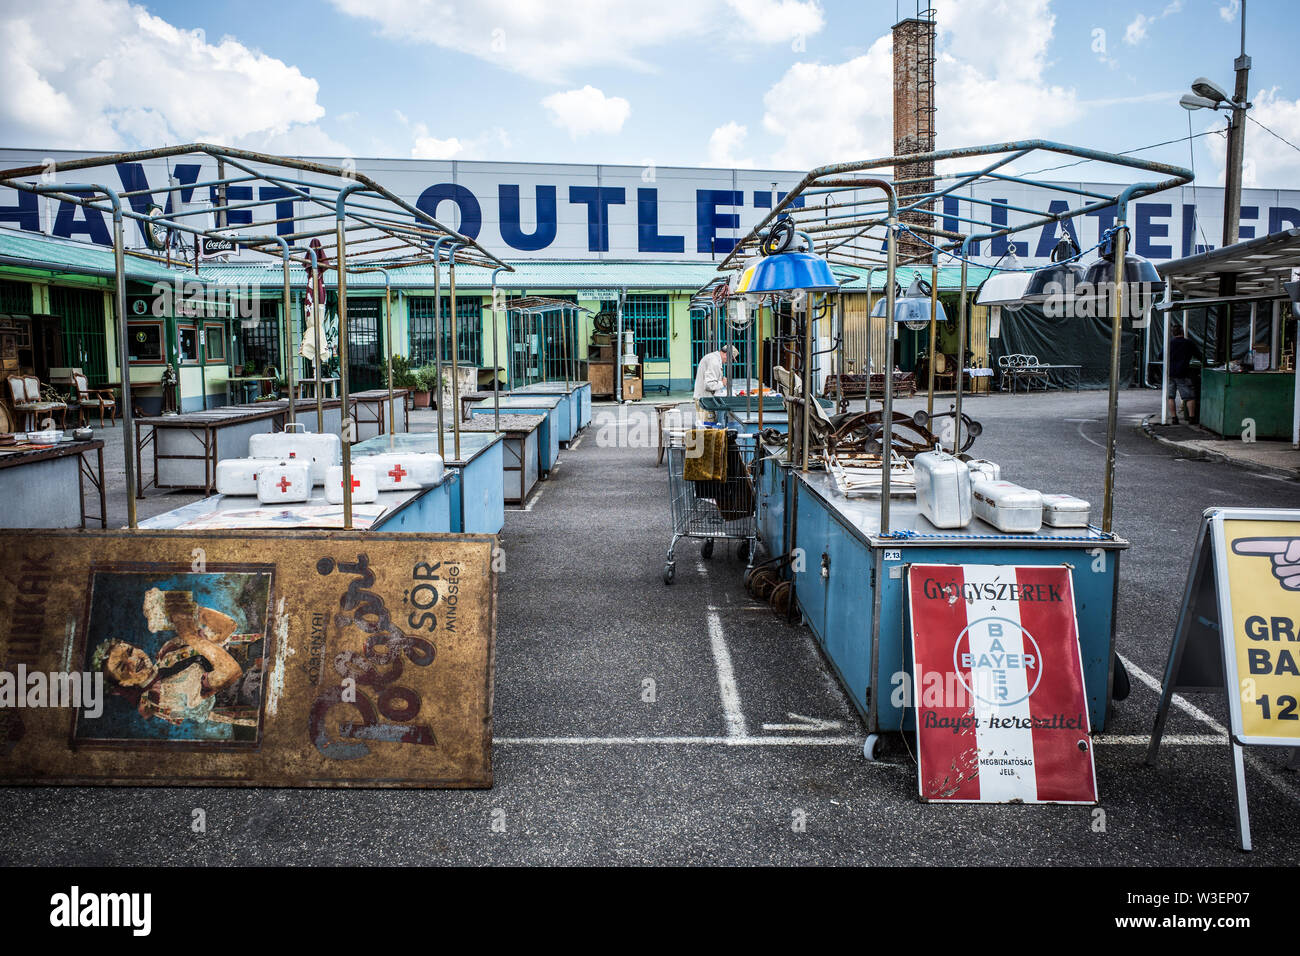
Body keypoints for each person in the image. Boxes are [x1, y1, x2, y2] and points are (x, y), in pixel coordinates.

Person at [694, 346, 738, 423]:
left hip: (703, 399)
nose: (728, 361)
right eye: (730, 358)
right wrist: (722, 383)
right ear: (726, 354)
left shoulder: (713, 358)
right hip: (705, 400)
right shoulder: (714, 362)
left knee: (702, 428)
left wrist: (720, 379)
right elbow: (708, 385)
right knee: (708, 429)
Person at [1166, 326, 1198, 424]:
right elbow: (1199, 355)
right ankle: (1192, 418)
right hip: (1184, 373)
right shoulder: (1189, 343)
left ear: (1173, 333)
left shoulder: (1169, 343)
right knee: (1189, 397)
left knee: (1171, 397)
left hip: (1170, 373)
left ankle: (1174, 418)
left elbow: (1160, 355)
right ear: (1183, 332)